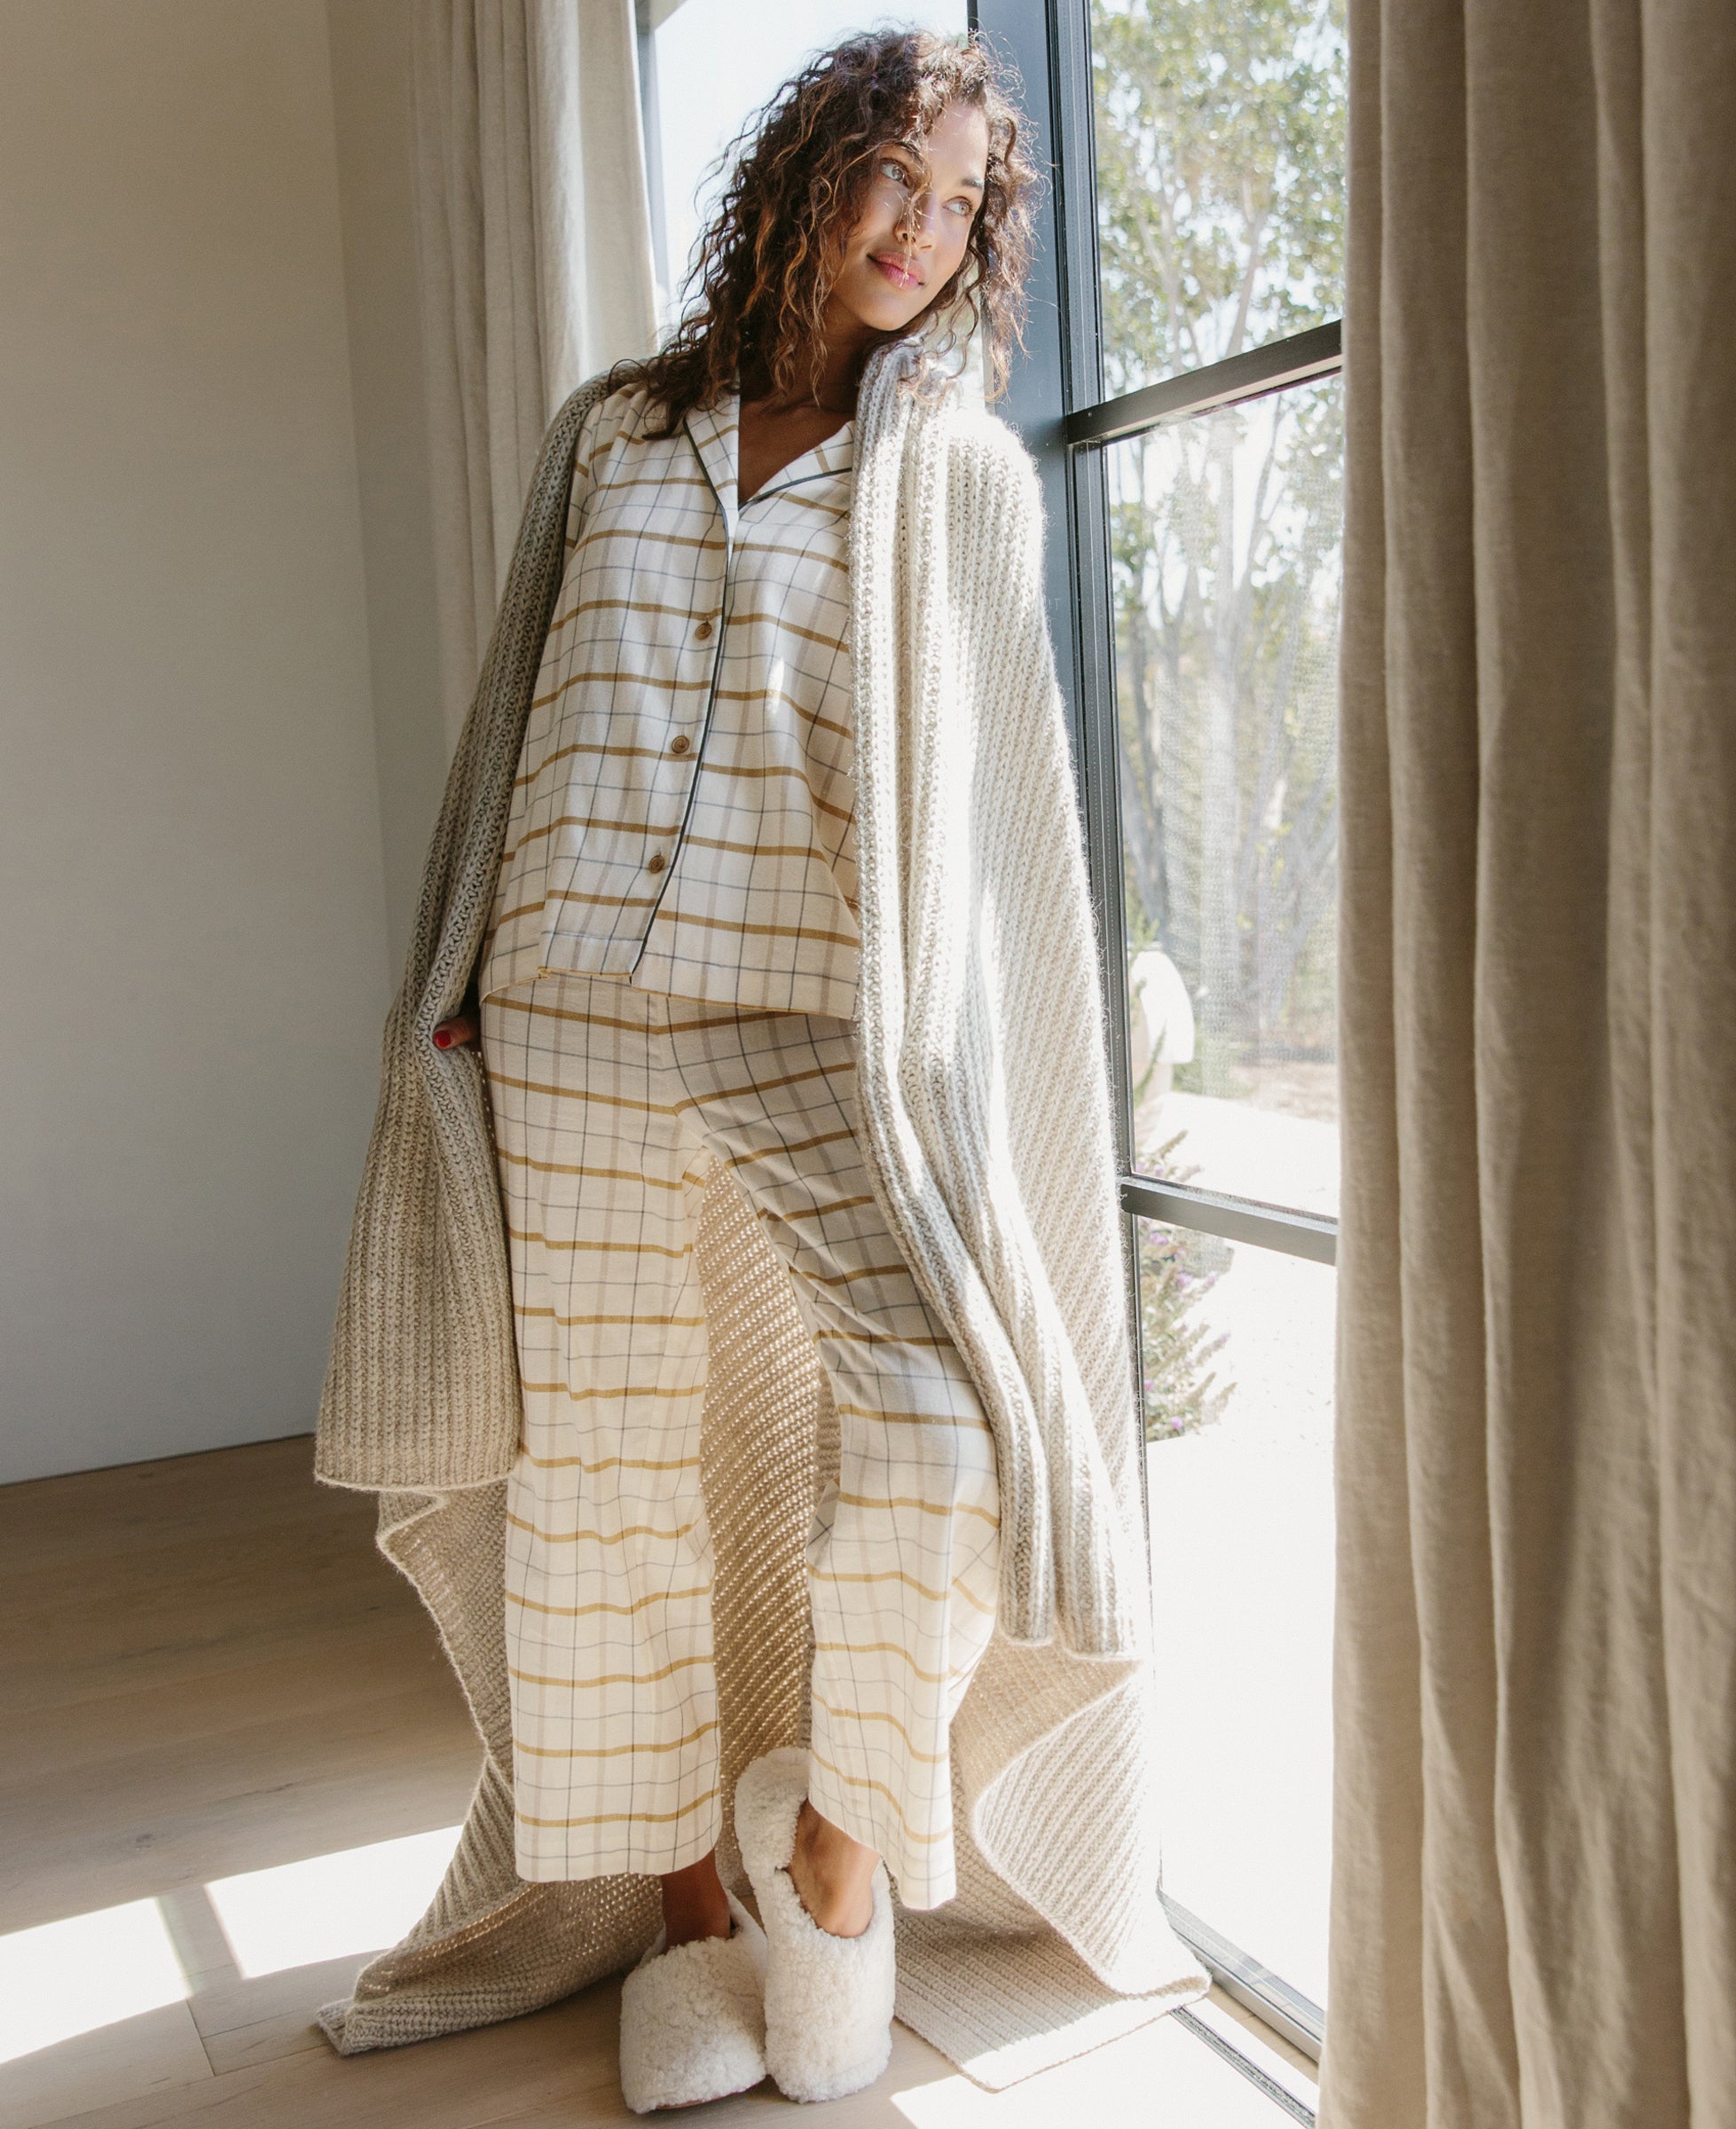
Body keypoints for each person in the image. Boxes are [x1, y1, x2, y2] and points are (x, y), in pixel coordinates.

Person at [421, 28, 1038, 2111]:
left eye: (961, 201)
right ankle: (691, 1917)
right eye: (894, 174)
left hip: (801, 995)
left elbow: (964, 796)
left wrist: (931, 1037)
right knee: (599, 1465)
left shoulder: (946, 465)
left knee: (940, 1414)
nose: (919, 229)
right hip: (568, 983)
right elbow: (518, 704)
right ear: (807, 172)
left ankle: (837, 1871)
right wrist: (451, 965)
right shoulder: (615, 428)